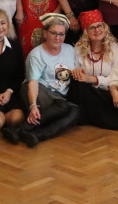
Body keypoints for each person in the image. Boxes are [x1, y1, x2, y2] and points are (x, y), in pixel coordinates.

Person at [4, 14, 81, 147]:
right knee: (63, 107)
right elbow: (33, 82)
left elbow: (76, 71)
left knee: (75, 111)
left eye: (62, 34)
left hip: (58, 97)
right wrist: (33, 105)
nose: (58, 38)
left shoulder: (70, 49)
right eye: (54, 33)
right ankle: (20, 129)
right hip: (36, 90)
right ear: (45, 33)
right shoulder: (37, 54)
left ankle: (34, 134)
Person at [70, 10, 118, 126]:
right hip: (87, 96)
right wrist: (77, 71)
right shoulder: (78, 49)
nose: (97, 30)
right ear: (86, 32)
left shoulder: (116, 47)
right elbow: (75, 72)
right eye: (92, 28)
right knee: (76, 83)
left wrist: (92, 79)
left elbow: (116, 77)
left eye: (99, 26)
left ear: (105, 27)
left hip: (108, 93)